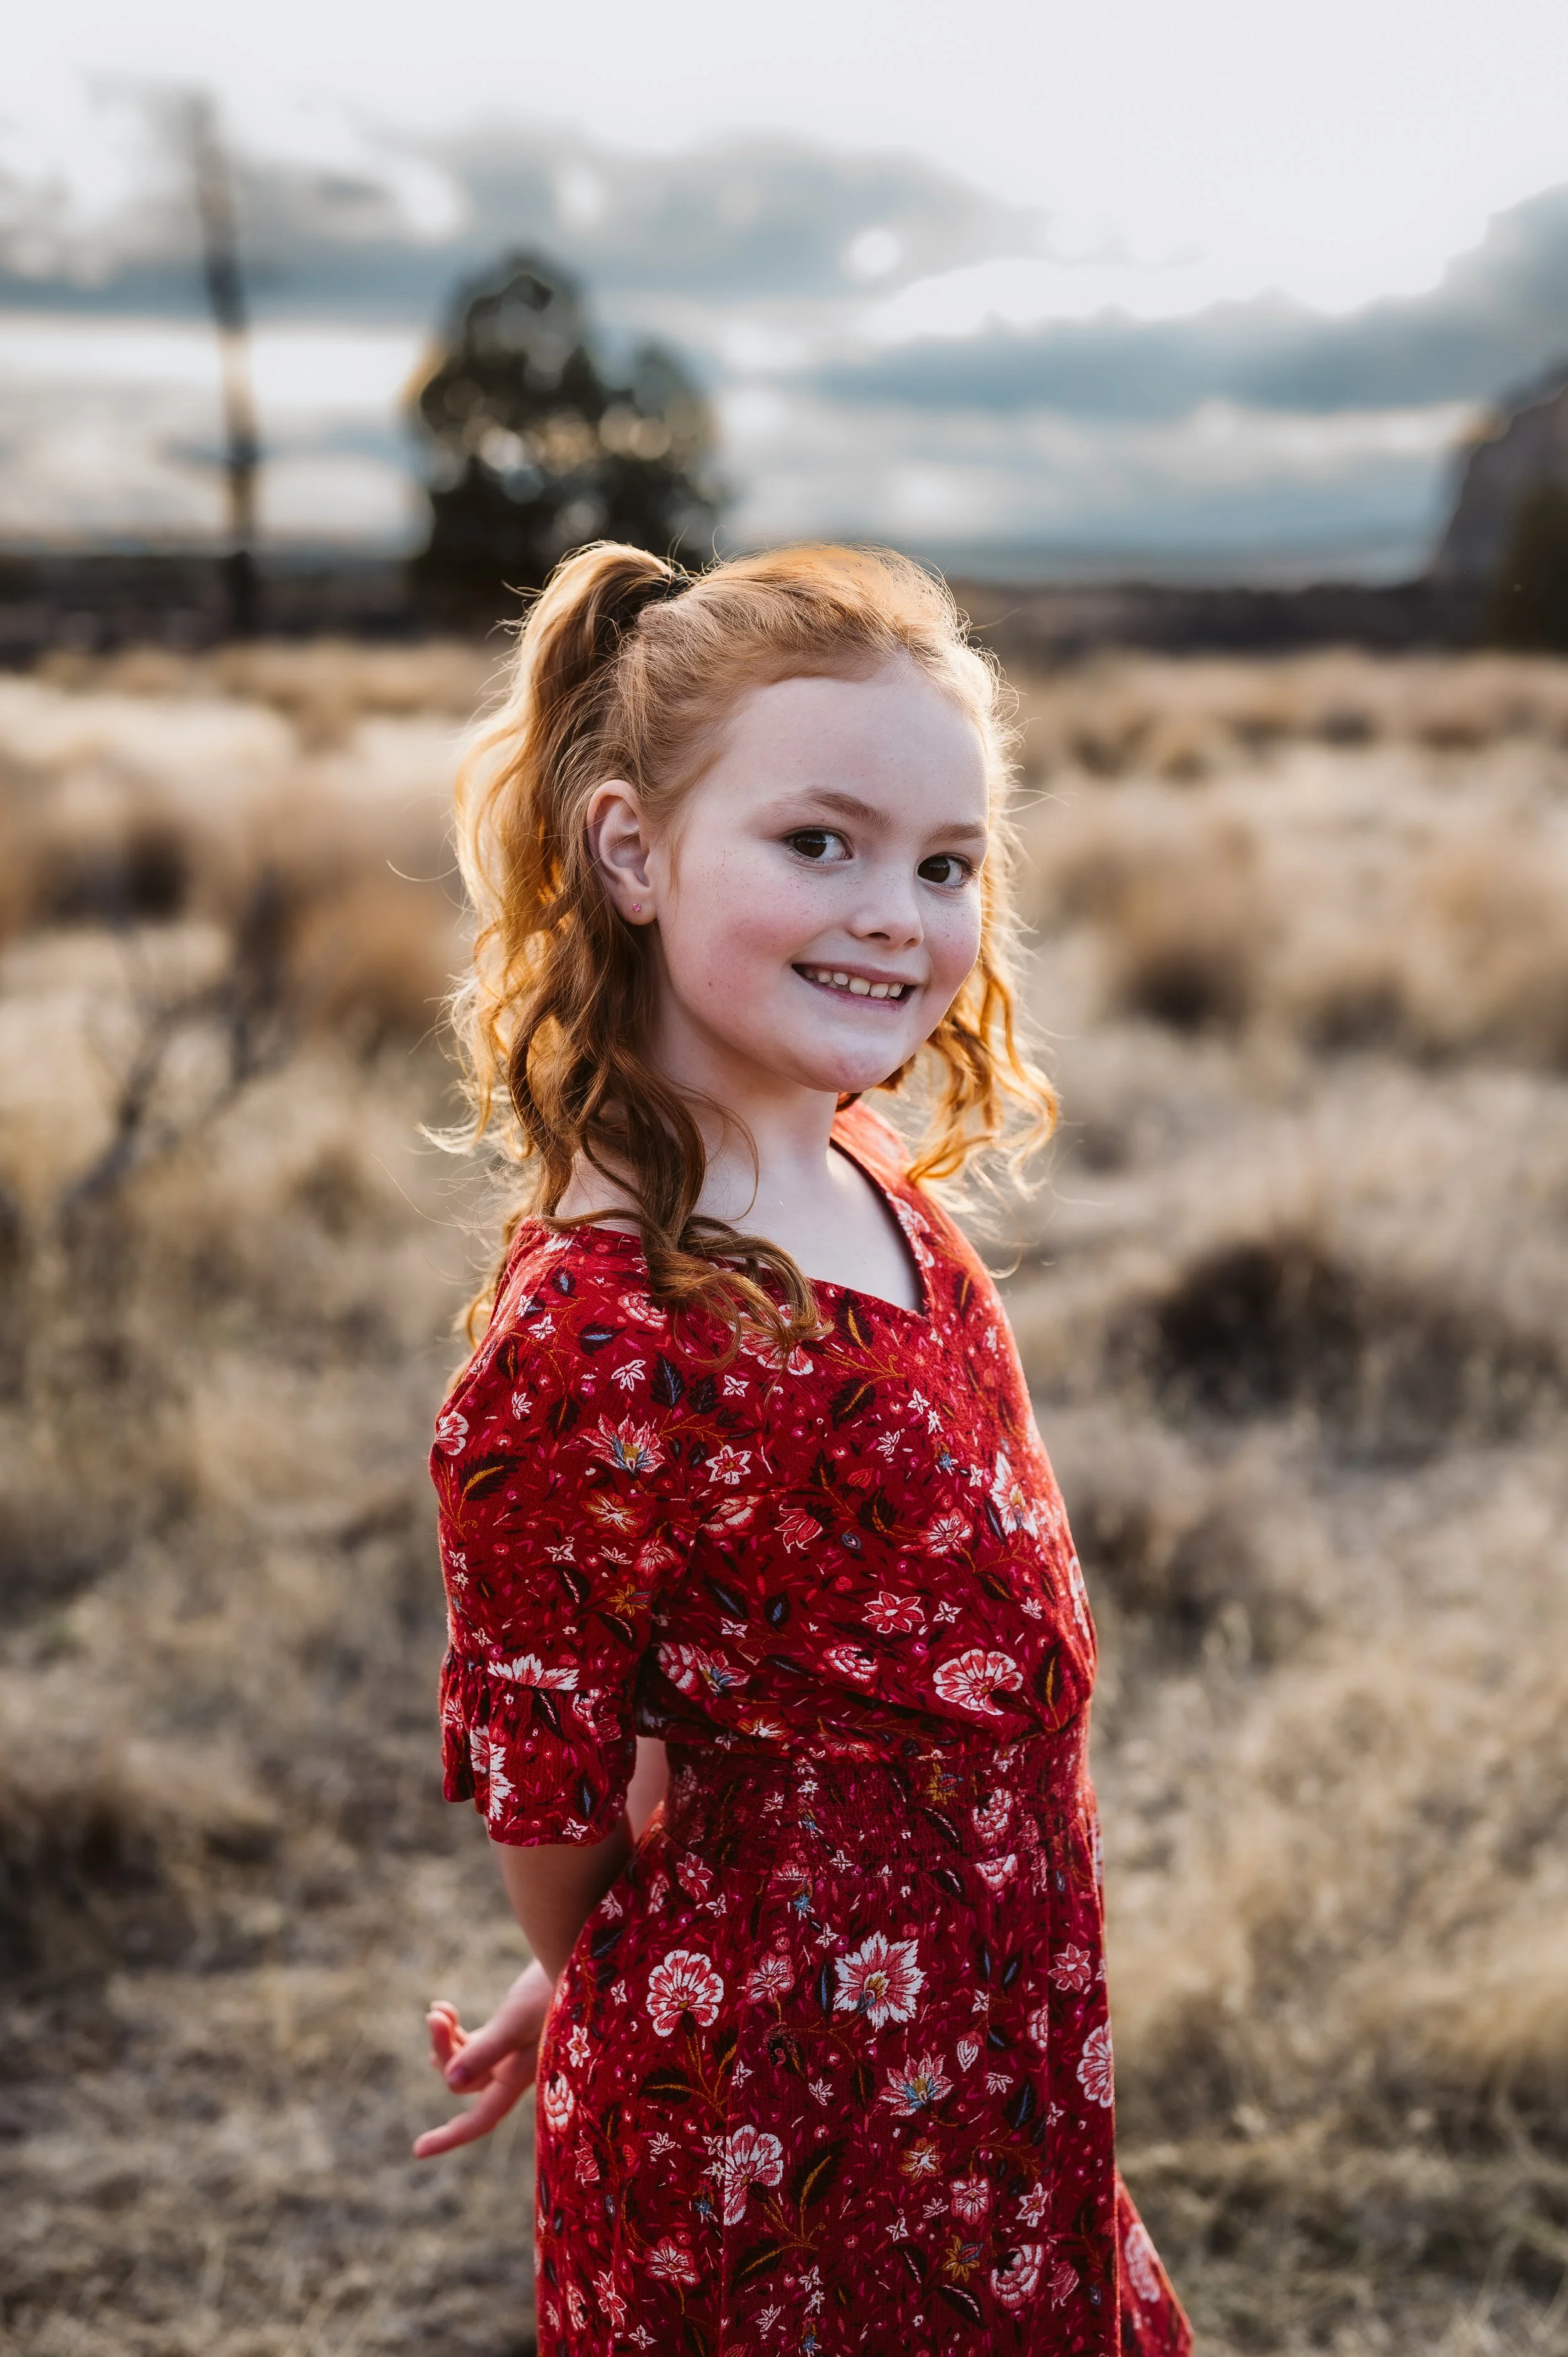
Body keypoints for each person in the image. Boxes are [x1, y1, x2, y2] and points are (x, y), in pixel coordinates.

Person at [414, 541, 1191, 2356]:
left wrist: (576, 1957)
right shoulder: (594, 1339)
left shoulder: (870, 1185)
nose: (893, 916)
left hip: (995, 2078)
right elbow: (554, 1811)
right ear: (630, 852)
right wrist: (589, 1951)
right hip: (777, 2149)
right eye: (816, 843)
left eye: (943, 865)